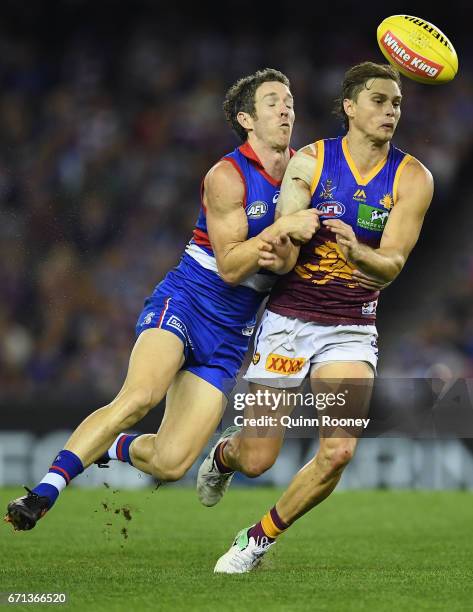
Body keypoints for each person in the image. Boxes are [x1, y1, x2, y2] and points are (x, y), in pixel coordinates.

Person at [4, 68, 320, 531]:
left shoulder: (305, 174)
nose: (286, 107)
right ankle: (44, 492)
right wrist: (282, 230)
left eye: (289, 100)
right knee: (138, 398)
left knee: (172, 463)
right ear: (246, 119)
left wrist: (287, 245)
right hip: (188, 302)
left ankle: (115, 447)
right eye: (272, 101)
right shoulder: (227, 176)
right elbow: (232, 267)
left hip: (232, 334)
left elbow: (286, 265)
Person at [195, 61, 434, 573]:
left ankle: (255, 541)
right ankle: (222, 457)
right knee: (257, 459)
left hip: (351, 328)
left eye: (396, 103)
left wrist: (357, 252)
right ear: (349, 107)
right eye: (378, 100)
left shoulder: (413, 177)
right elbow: (292, 206)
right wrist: (294, 218)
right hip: (289, 322)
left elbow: (390, 265)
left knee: (339, 452)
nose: (390, 111)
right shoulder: (312, 158)